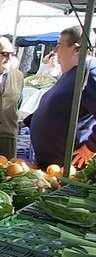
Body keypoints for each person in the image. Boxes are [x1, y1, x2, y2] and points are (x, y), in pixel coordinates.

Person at [24, 26, 96, 169]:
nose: (55, 51)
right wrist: (28, 120)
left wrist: (90, 147)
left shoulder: (88, 74)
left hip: (66, 168)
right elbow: (62, 107)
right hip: (49, 164)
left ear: (77, 49)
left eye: (60, 46)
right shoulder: (72, 74)